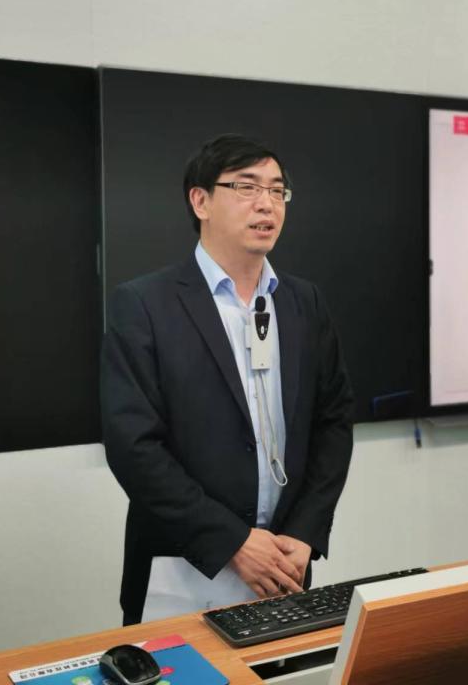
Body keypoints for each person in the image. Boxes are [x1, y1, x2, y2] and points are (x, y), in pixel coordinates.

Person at [101, 134, 354, 624]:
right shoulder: (145, 305)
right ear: (201, 201)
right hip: (182, 564)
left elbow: (334, 422)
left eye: (277, 191)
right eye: (247, 187)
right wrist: (233, 541)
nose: (266, 204)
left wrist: (304, 533)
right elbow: (134, 447)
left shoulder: (303, 302)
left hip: (283, 563)